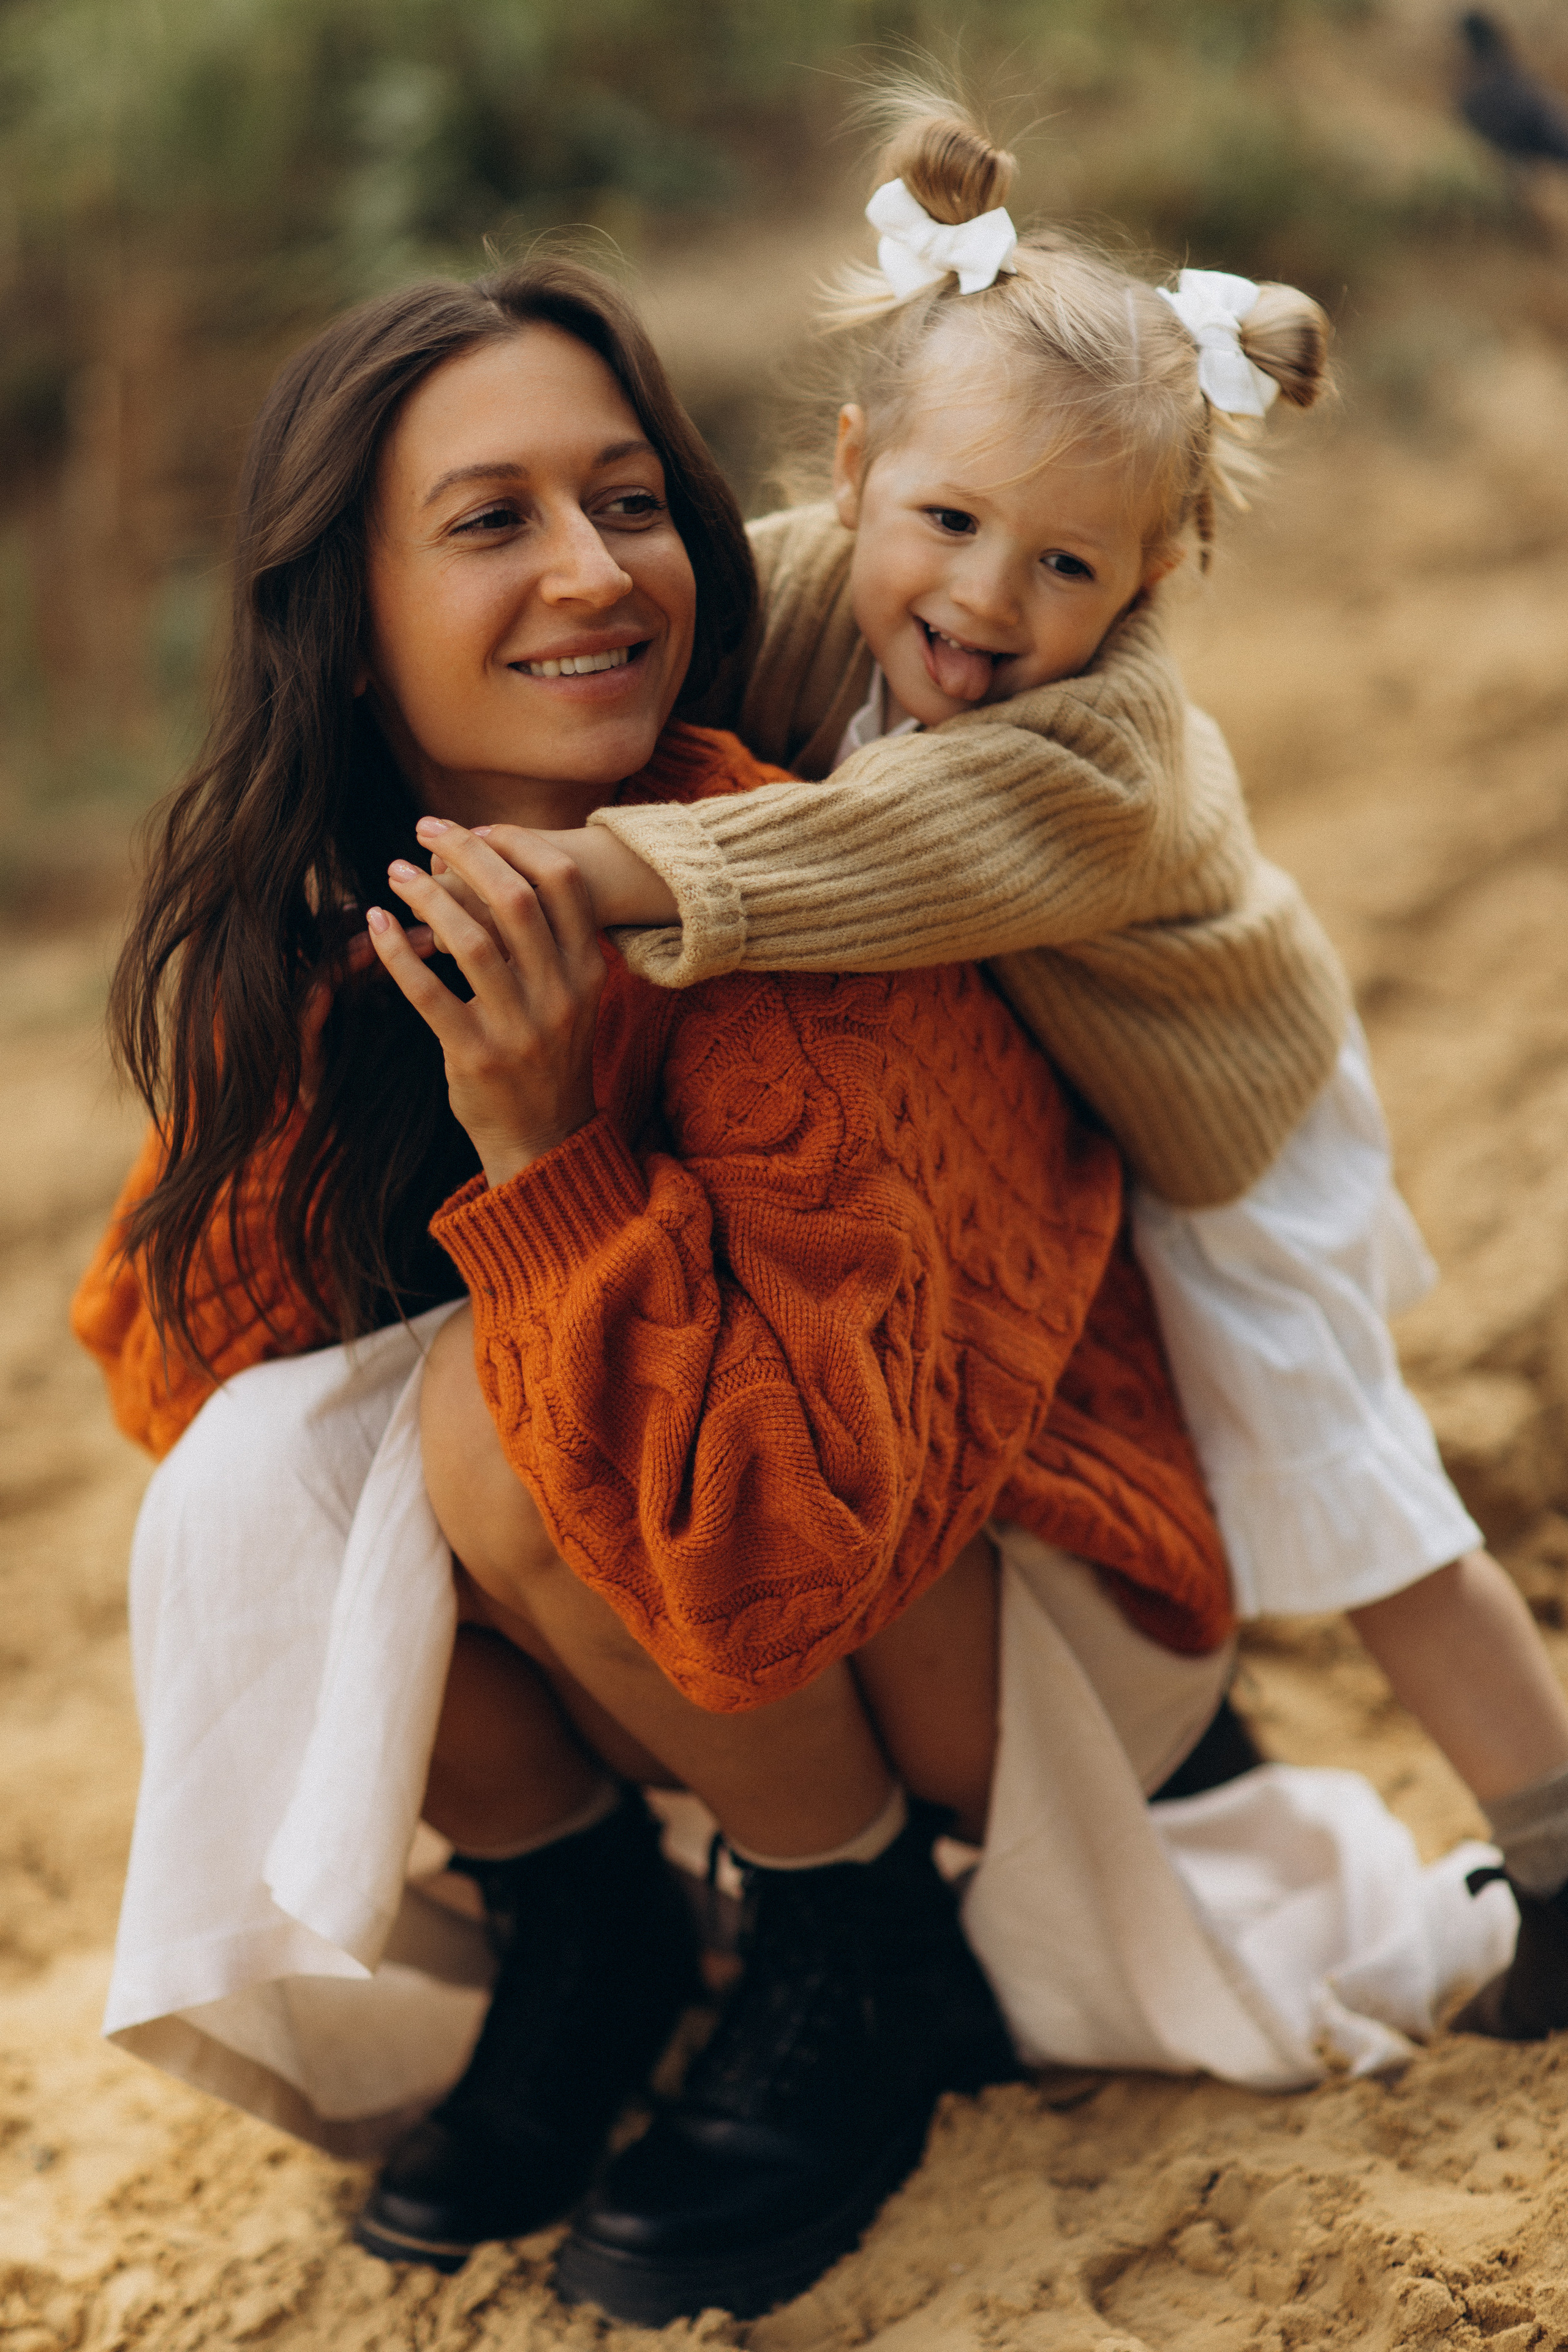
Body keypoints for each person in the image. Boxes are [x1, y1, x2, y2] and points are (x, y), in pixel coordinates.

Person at [72, 257, 1245, 2326]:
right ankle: (591, 1930)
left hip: (1023, 1611)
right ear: (342, 621)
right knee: (268, 1471)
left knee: (479, 1423)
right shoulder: (350, 895)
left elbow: (780, 1543)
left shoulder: (788, 889)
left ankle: (851, 1952)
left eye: (626, 502)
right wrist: (355, 1046)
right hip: (743, 1578)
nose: (595, 572)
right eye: (493, 519)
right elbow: (180, 1374)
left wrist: (541, 1152)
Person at [543, 93, 1568, 2047]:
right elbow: (671, 654)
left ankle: (1561, 1846)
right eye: (949, 524)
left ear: (1159, 578)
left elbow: (855, 858)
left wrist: (584, 870)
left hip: (1236, 1133)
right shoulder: (800, 587)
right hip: (1073, 1114)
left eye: (1071, 567)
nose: (991, 606)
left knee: (1345, 1483)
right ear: (855, 474)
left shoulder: (1094, 758)